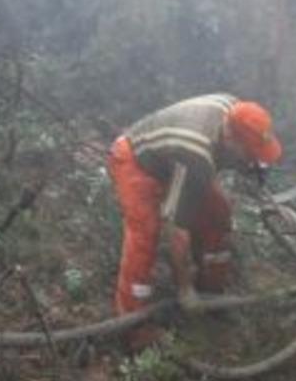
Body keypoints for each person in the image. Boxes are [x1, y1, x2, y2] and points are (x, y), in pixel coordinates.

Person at [107, 93, 282, 350]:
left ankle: (212, 287)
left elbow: (228, 154)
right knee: (146, 236)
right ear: (232, 139)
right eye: (250, 153)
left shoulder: (235, 110)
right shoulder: (196, 158)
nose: (252, 158)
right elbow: (176, 231)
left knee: (218, 212)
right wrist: (184, 288)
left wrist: (251, 164)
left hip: (174, 160)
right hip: (135, 160)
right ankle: (131, 326)